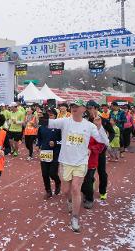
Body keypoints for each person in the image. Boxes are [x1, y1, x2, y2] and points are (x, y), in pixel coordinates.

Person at [44, 99, 109, 232]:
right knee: (66, 191)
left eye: (77, 106)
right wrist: (36, 119)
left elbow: (104, 141)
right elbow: (50, 123)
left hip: (81, 162)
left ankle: (75, 217)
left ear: (83, 109)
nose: (74, 108)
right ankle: (69, 201)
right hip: (65, 161)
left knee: (75, 189)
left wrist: (100, 127)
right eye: (72, 106)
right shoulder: (65, 121)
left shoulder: (89, 126)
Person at [37, 108, 61, 199]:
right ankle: (48, 191)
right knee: (44, 173)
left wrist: (55, 143)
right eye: (48, 115)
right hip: (44, 152)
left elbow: (62, 141)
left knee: (52, 173)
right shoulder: (42, 127)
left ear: (55, 116)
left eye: (51, 115)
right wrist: (38, 145)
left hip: (55, 152)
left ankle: (58, 182)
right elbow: (39, 138)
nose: (49, 117)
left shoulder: (59, 127)